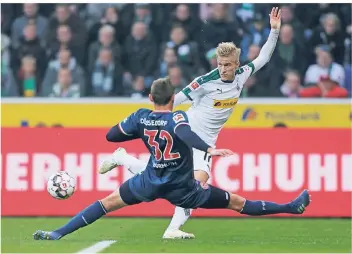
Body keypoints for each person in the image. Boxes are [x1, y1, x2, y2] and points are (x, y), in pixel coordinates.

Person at [99, 8, 304, 239]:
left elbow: (264, 57)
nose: (223, 68)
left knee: (164, 178)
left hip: (206, 140)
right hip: (188, 134)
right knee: (194, 184)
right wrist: (151, 116)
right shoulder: (204, 82)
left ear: (236, 63)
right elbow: (174, 101)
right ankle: (172, 229)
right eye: (220, 63)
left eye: (227, 64)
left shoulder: (243, 74)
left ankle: (122, 158)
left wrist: (274, 31)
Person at [33, 77, 310, 241]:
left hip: (150, 182)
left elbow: (111, 135)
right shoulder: (179, 116)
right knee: (237, 202)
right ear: (174, 97)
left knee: (105, 204)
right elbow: (184, 133)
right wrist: (208, 149)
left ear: (151, 96)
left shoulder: (140, 116)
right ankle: (290, 206)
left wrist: (132, 126)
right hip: (183, 188)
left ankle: (59, 233)